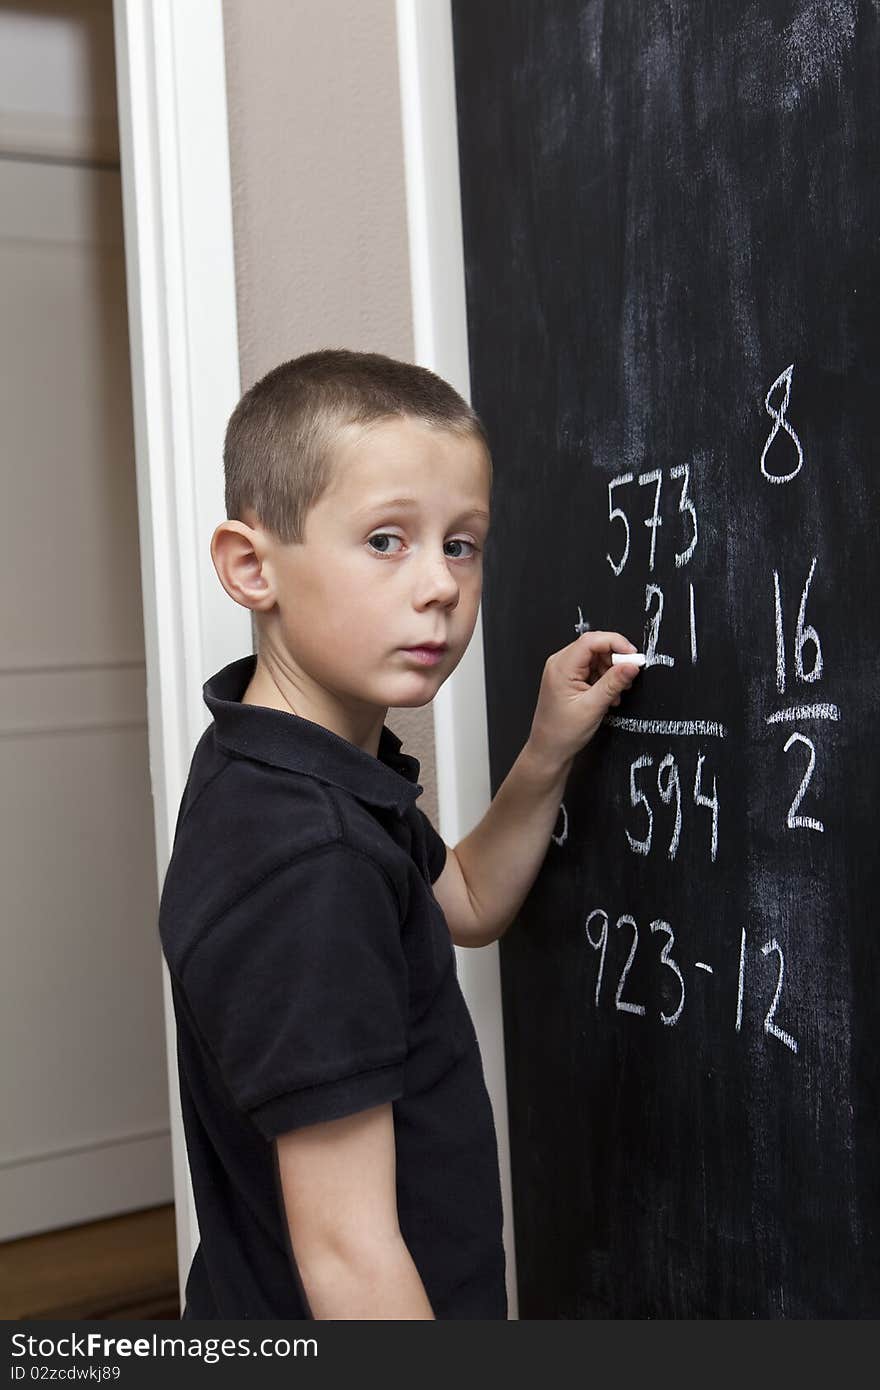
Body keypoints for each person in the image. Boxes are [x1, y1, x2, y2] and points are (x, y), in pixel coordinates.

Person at [158, 348, 641, 1320]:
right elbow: (348, 1256)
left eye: (461, 544)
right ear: (252, 566)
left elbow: (459, 901)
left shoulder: (283, 766)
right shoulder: (308, 860)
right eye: (386, 540)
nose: (439, 587)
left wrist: (545, 750)